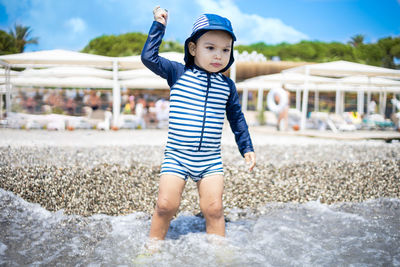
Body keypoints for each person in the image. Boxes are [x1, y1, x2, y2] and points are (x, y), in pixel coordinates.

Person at [141, 6, 256, 247]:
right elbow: (148, 58)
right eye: (210, 47)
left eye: (225, 50)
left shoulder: (227, 86)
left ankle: (220, 253)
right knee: (165, 206)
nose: (218, 55)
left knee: (214, 209)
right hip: (177, 156)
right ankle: (152, 247)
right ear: (193, 48)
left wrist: (246, 148)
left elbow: (237, 119)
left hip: (210, 159)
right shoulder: (178, 73)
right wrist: (159, 26)